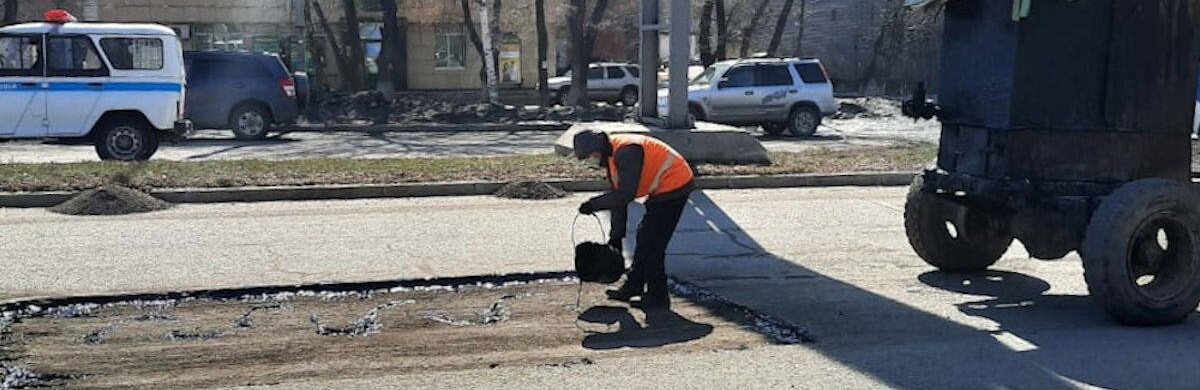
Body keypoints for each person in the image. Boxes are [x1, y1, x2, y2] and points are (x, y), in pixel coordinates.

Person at [573, 130, 695, 310]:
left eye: (590, 155)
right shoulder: (611, 157)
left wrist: (594, 204)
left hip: (674, 184)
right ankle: (632, 287)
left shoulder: (626, 153)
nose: (591, 160)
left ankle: (658, 297)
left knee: (652, 244)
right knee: (645, 236)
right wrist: (616, 237)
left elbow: (625, 195)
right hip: (662, 188)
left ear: (597, 148)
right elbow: (618, 201)